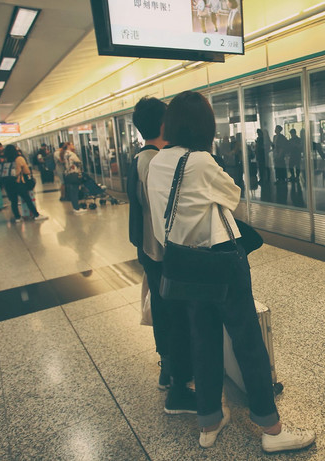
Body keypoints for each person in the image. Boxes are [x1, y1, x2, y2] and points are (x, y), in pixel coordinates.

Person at [147, 91, 316, 453]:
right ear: (203, 125)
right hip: (219, 259)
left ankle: (209, 421)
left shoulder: (157, 162)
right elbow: (232, 195)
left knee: (203, 340)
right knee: (247, 341)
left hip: (184, 262)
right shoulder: (199, 161)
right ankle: (271, 429)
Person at [126, 96, 195, 412]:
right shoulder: (154, 162)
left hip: (149, 249)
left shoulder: (142, 157)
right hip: (161, 253)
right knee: (173, 314)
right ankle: (177, 381)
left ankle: (168, 371)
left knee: (165, 310)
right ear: (164, 124)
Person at [2, 144, 48, 223]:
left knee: (14, 201)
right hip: (18, 182)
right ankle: (36, 215)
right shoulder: (19, 158)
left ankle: (17, 217)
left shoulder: (5, 160)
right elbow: (26, 171)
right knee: (27, 199)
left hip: (8, 183)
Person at [61, 142, 85, 214]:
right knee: (75, 191)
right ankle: (76, 208)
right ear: (68, 146)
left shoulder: (64, 154)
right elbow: (78, 162)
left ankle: (75, 207)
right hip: (74, 174)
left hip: (68, 175)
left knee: (72, 192)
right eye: (72, 144)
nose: (73, 145)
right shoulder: (71, 154)